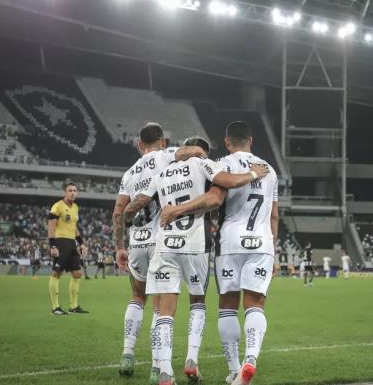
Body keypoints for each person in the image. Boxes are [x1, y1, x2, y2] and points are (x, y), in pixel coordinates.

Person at [123, 134, 269, 385]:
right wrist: (254, 174)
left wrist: (133, 227)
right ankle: (192, 359)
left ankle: (165, 371)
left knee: (164, 311)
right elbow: (220, 191)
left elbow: (134, 206)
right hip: (195, 245)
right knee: (198, 302)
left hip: (165, 246)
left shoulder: (162, 173)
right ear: (200, 151)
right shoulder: (203, 164)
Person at [160, 121, 278, 385]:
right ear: (251, 140)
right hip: (262, 243)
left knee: (227, 307)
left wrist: (177, 209)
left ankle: (235, 368)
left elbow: (214, 199)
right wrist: (273, 250)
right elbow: (274, 215)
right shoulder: (269, 170)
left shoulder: (222, 164)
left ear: (227, 142)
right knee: (255, 305)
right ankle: (251, 359)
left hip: (229, 243)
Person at [112, 122, 205, 381]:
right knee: (160, 306)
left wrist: (120, 247)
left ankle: (127, 354)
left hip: (136, 243)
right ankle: (157, 368)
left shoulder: (129, 174)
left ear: (140, 145)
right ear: (162, 142)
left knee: (135, 297)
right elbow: (191, 151)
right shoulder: (165, 155)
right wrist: (199, 153)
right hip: (160, 240)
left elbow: (118, 213)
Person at [47, 182, 89, 315]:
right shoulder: (57, 206)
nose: (72, 193)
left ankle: (74, 306)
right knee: (57, 273)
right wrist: (52, 245)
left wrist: (81, 242)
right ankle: (55, 307)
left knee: (77, 274)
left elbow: (74, 227)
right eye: (70, 190)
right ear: (65, 192)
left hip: (71, 243)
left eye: (75, 191)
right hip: (60, 242)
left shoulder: (75, 207)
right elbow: (51, 226)